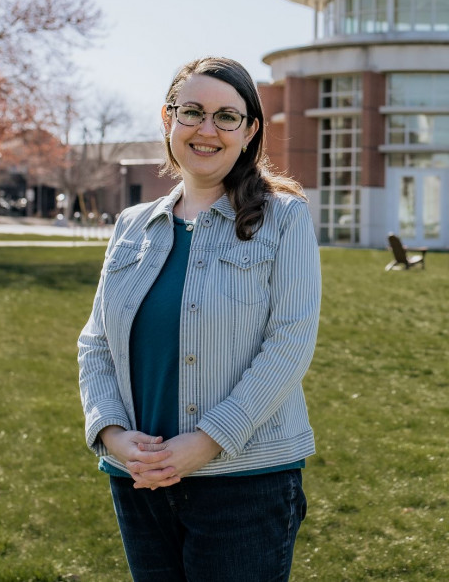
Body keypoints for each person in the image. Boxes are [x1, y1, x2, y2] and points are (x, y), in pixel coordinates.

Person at [77, 56, 321, 581]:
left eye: (226, 117)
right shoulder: (131, 225)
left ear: (249, 130)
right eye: (192, 112)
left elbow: (290, 344)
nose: (207, 130)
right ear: (167, 120)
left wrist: (207, 441)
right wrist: (113, 435)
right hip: (139, 477)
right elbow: (96, 343)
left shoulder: (285, 218)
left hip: (246, 483)